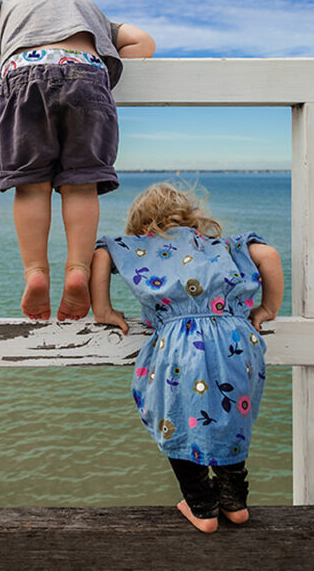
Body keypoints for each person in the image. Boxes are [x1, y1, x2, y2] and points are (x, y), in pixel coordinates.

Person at [90, 182, 283, 533]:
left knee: (175, 416)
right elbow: (269, 255)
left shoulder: (141, 244)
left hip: (179, 343)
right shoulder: (222, 244)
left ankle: (202, 507)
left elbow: (100, 254)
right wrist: (268, 307)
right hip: (236, 340)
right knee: (230, 417)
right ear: (191, 218)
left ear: (143, 225)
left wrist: (103, 309)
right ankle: (235, 503)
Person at [0, 0, 155, 321]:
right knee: (82, 184)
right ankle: (78, 268)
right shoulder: (98, 18)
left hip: (21, 72)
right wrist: (102, 68)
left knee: (30, 186)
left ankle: (36, 271)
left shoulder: (7, 7)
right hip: (88, 73)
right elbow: (143, 42)